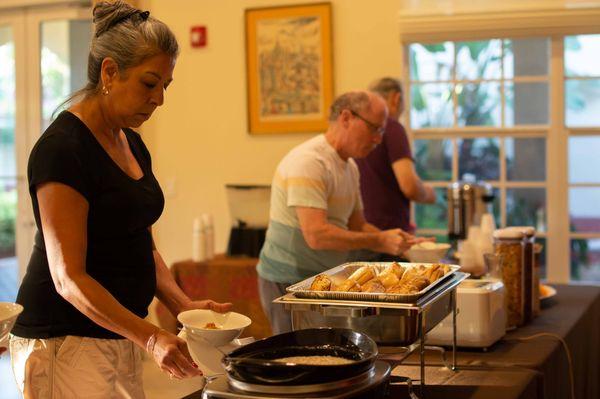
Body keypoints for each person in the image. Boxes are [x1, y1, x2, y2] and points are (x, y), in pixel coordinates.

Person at [9, 2, 231, 397]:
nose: (159, 99)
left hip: (118, 333)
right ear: (110, 72)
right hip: (64, 339)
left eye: (166, 85)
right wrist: (150, 338)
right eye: (150, 83)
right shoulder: (63, 149)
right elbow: (67, 278)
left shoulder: (132, 143)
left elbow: (139, 243)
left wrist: (184, 306)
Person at [257, 91, 421, 334]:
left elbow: (358, 225)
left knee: (327, 359)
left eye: (381, 131)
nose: (378, 139)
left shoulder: (350, 167)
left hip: (320, 280)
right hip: (287, 281)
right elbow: (317, 235)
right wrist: (380, 241)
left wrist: (399, 243)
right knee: (300, 361)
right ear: (346, 118)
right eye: (374, 128)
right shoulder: (310, 162)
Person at [355, 78, 436, 240]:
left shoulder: (358, 130)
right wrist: (428, 193)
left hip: (360, 231)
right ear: (396, 99)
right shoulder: (392, 127)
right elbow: (409, 186)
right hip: (388, 236)